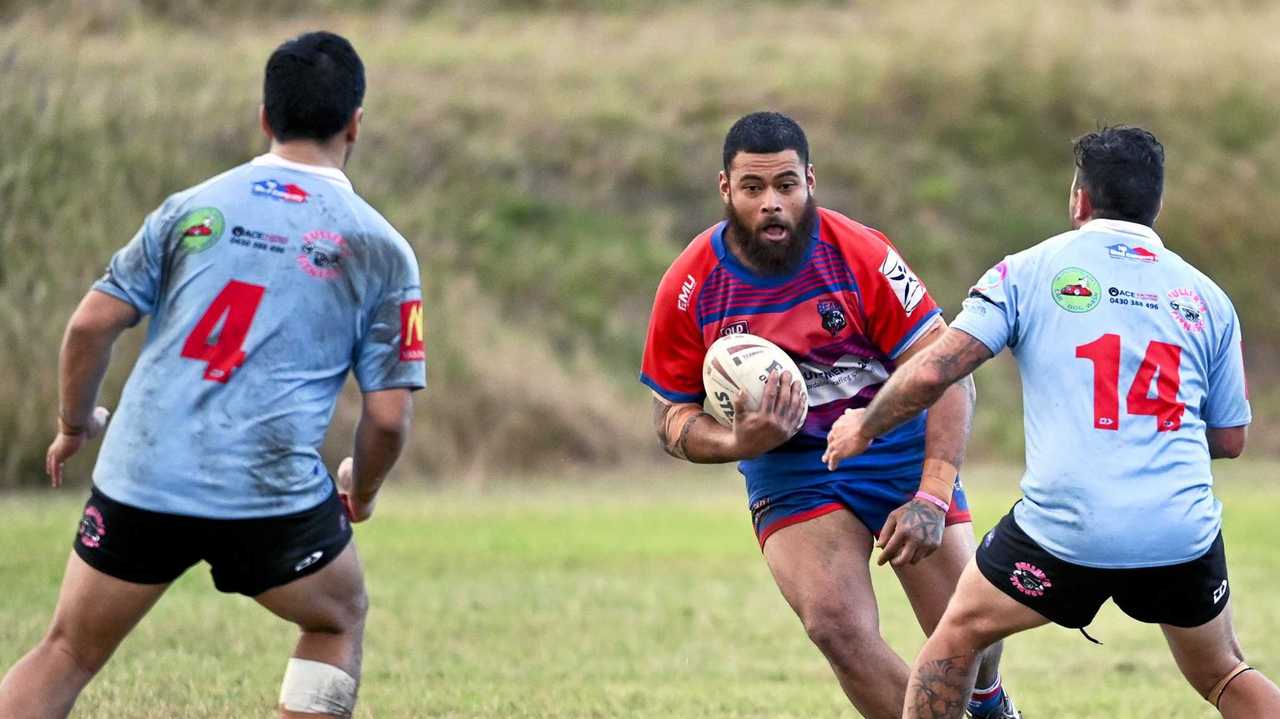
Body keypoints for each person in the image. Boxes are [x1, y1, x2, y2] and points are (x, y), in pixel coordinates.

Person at [0, 31, 425, 719]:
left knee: (67, 651)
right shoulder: (379, 246)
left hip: (144, 473)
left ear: (264, 116)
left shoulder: (189, 208)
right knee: (337, 615)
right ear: (355, 124)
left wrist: (73, 423)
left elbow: (88, 326)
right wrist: (363, 490)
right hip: (267, 491)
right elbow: (386, 417)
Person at [824, 126, 1280, 719]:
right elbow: (1230, 439)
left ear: (1079, 199)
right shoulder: (1209, 298)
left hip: (1067, 529)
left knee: (957, 638)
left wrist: (865, 424)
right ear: (1156, 206)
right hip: (1177, 531)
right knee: (1223, 671)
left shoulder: (1027, 272)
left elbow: (936, 371)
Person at [641, 111, 1018, 719]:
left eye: (786, 185)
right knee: (834, 626)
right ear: (724, 189)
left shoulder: (860, 254)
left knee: (973, 634)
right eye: (753, 188)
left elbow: (948, 372)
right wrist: (738, 440)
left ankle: (988, 701)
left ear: (810, 181)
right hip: (791, 469)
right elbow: (670, 420)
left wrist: (930, 495)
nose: (771, 203)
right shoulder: (691, 284)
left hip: (896, 446)